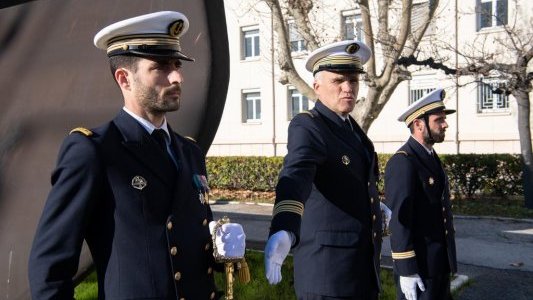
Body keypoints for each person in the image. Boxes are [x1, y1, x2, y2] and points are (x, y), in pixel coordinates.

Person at [28, 11, 244, 300]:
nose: (177, 76)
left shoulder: (189, 151)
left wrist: (220, 253)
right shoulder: (95, 150)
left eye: (177, 65)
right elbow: (49, 268)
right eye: (161, 67)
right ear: (124, 79)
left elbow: (181, 244)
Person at [264, 40, 390, 299]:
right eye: (338, 81)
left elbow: (352, 183)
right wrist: (285, 226)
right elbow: (295, 174)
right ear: (317, 86)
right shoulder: (308, 126)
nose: (348, 88)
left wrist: (375, 206)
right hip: (328, 276)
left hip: (361, 273)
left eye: (353, 81)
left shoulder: (353, 131)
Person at [384, 89, 457, 300]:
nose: (445, 124)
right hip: (419, 269)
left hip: (438, 264)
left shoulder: (430, 157)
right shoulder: (403, 161)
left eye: (444, 119)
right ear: (418, 124)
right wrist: (406, 269)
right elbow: (399, 219)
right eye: (439, 120)